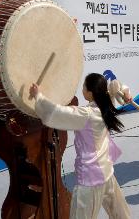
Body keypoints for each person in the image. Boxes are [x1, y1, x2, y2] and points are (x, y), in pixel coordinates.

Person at [29, 73, 131, 219]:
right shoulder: (106, 104)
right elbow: (117, 85)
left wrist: (38, 96)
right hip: (107, 173)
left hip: (90, 179)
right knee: (120, 215)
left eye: (84, 86)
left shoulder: (86, 114)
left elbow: (54, 112)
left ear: (90, 92)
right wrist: (126, 94)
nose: (82, 89)